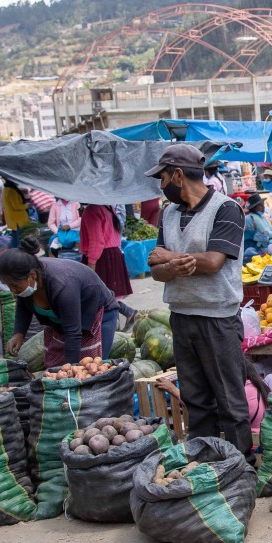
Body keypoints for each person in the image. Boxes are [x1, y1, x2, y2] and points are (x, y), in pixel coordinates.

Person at [145, 144, 251, 455]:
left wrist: (171, 259)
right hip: (181, 315)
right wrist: (171, 265)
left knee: (229, 400)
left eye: (162, 177)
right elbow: (156, 269)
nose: (161, 185)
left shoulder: (226, 208)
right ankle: (203, 459)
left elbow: (213, 262)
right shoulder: (168, 213)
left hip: (218, 319)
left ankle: (239, 463)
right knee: (196, 398)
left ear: (177, 175)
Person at [0, 236, 118, 366]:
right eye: (9, 286)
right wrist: (19, 333)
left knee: (91, 368)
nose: (12, 290)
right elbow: (23, 306)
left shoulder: (62, 286)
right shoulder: (29, 281)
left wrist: (70, 369)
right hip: (68, 326)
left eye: (15, 286)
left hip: (97, 315)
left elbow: (73, 333)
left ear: (32, 276)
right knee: (56, 367)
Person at [79, 204, 133, 299]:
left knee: (101, 300)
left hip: (101, 258)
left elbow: (97, 241)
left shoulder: (92, 210)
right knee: (113, 298)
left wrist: (91, 266)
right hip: (113, 254)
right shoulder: (107, 207)